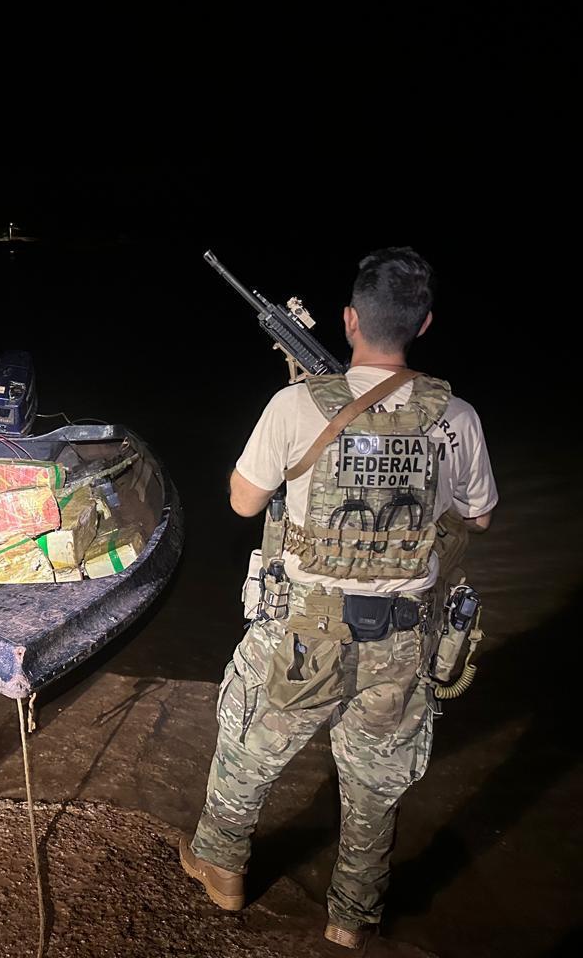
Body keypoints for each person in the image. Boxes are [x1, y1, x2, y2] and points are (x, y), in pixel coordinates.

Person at [180, 247, 497, 948]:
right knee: (376, 786)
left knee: (247, 749)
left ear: (350, 319)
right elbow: (478, 517)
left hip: (304, 633)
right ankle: (351, 917)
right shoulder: (458, 418)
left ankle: (223, 868)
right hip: (404, 638)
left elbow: (241, 503)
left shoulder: (295, 406)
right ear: (424, 323)